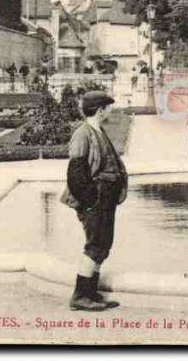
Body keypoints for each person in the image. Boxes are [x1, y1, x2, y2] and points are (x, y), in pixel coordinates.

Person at [60, 90, 128, 311]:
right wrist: (90, 200)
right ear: (100, 110)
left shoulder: (98, 130)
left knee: (103, 246)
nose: (110, 111)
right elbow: (76, 173)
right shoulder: (83, 134)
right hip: (95, 199)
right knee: (95, 245)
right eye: (108, 107)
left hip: (105, 198)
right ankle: (79, 295)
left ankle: (91, 292)